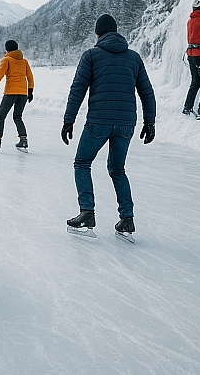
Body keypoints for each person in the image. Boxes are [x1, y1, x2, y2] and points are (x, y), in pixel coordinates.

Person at [61, 14, 156, 239]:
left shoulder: (91, 55)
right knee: (117, 169)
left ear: (97, 33)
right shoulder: (134, 58)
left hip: (99, 122)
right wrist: (149, 122)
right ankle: (127, 219)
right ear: (116, 32)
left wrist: (68, 120)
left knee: (82, 163)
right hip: (126, 124)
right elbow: (147, 92)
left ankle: (87, 213)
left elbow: (78, 89)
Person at [0, 40, 35, 152]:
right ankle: (23, 141)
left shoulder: (6, 59)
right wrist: (30, 91)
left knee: (1, 116)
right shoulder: (24, 61)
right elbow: (30, 77)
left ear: (7, 49)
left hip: (11, 92)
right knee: (18, 116)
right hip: (23, 94)